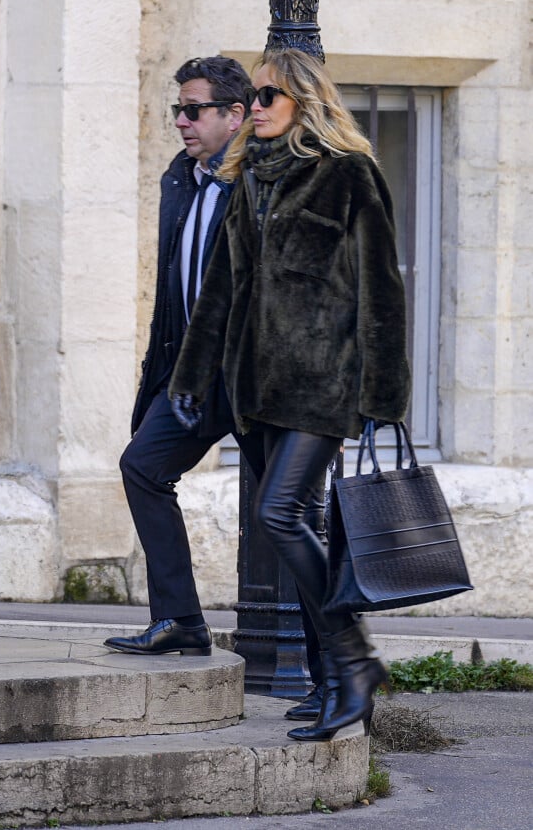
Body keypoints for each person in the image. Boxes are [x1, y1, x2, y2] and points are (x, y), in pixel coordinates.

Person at [169, 48, 411, 741]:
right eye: (255, 97)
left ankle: (352, 659)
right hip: (256, 386)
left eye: (268, 95)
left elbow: (382, 290)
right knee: (297, 521)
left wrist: (382, 395)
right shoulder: (248, 179)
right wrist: (191, 377)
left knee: (279, 514)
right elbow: (221, 288)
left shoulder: (349, 174)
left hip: (322, 382)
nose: (257, 106)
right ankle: (337, 678)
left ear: (303, 100)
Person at [104, 56, 325, 718]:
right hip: (194, 379)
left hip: (258, 383)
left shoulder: (264, 178)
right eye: (178, 109)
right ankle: (179, 620)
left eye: (194, 109)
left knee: (290, 521)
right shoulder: (184, 179)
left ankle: (334, 674)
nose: (181, 121)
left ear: (235, 115)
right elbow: (175, 297)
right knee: (142, 466)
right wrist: (157, 387)